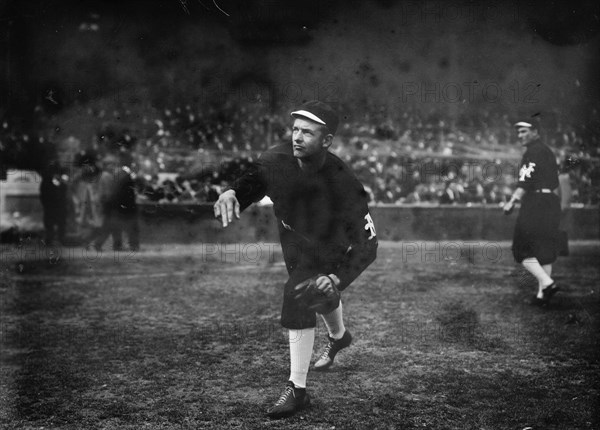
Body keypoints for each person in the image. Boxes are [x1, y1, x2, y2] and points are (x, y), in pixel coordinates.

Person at [213, 100, 378, 419]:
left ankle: (297, 389)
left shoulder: (343, 183)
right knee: (316, 292)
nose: (297, 137)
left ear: (327, 141)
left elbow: (368, 243)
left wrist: (337, 278)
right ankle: (340, 337)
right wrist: (233, 192)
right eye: (295, 129)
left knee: (301, 292)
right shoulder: (277, 158)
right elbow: (255, 179)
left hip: (328, 242)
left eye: (308, 132)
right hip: (291, 234)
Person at [503, 121, 561, 305]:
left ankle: (548, 284)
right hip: (550, 201)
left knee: (521, 248)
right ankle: (542, 295)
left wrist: (512, 201)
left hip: (536, 203)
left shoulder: (533, 151)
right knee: (543, 249)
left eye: (524, 131)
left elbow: (526, 181)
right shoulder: (546, 150)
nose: (520, 135)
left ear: (535, 132)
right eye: (518, 132)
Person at [95, 152, 140, 252]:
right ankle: (127, 246)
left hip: (112, 205)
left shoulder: (115, 174)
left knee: (112, 227)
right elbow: (111, 192)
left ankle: (113, 245)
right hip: (115, 205)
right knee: (123, 226)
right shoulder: (112, 176)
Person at [39, 159, 69, 246]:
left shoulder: (48, 178)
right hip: (56, 204)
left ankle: (51, 239)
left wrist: (45, 203)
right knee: (59, 223)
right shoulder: (57, 178)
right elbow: (63, 189)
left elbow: (43, 192)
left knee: (51, 223)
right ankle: (58, 239)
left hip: (52, 204)